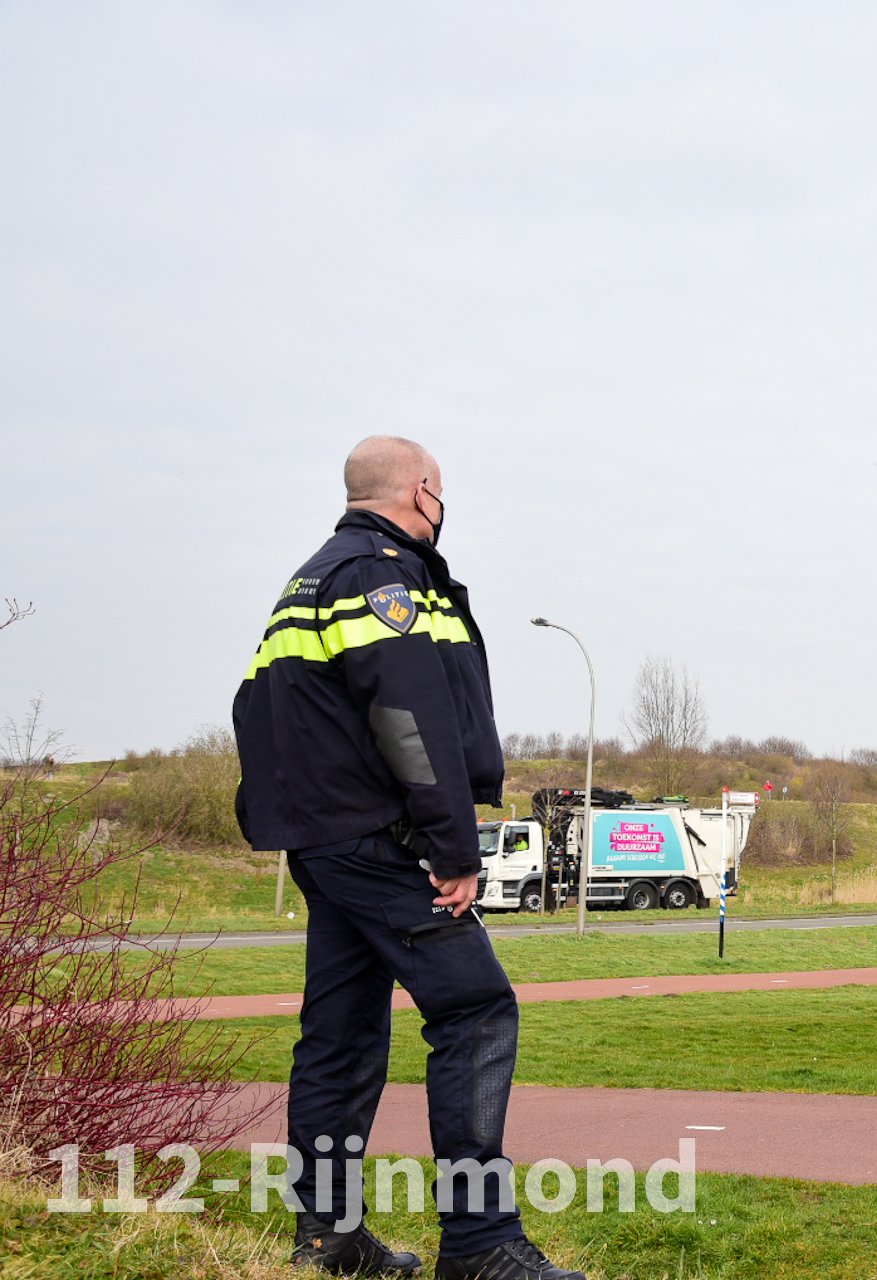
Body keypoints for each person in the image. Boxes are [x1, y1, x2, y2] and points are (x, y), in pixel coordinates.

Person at [233, 437, 586, 1280]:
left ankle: (329, 1237)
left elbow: (253, 708)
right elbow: (408, 718)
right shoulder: (380, 576)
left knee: (341, 1033)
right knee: (475, 1012)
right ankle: (480, 1241)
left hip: (323, 843)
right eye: (440, 492)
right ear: (421, 490)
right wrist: (452, 844)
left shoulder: (310, 579)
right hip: (378, 842)